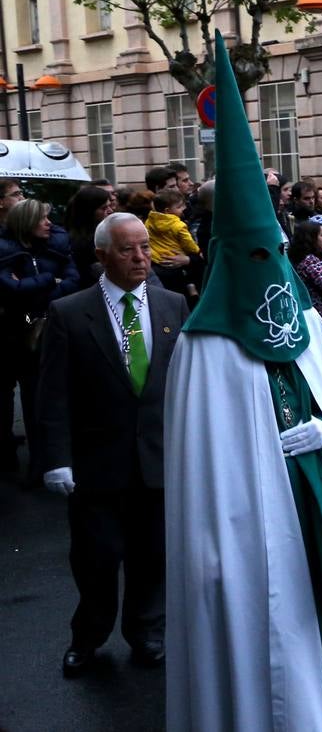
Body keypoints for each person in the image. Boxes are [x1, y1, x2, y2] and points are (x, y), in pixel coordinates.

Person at [165, 33, 322, 728]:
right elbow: (207, 467)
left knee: (318, 614)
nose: (268, 263)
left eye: (273, 248)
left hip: (316, 502)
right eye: (252, 252)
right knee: (261, 629)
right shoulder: (205, 348)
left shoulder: (306, 329)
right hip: (251, 526)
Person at [38, 212, 188, 677]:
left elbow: (185, 385)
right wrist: (56, 459)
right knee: (96, 559)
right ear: (102, 255)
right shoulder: (69, 311)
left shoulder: (173, 305)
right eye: (127, 249)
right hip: (96, 463)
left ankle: (147, 632)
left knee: (152, 557)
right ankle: (89, 635)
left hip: (157, 461)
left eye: (144, 247)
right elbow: (53, 392)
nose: (140, 257)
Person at [0, 199, 81, 478]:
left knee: (45, 398)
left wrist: (36, 290)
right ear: (26, 223)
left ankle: (47, 461)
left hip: (47, 328)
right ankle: (19, 460)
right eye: (42, 219)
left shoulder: (56, 247)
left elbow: (73, 281)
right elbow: (11, 290)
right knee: (16, 399)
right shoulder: (5, 251)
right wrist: (49, 280)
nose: (49, 224)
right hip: (12, 333)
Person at [145, 188, 202, 300]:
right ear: (167, 210)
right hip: (176, 261)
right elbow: (188, 243)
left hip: (157, 260)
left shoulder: (149, 221)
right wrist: (197, 251)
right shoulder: (178, 226)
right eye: (179, 207)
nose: (184, 209)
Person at [64, 185, 116, 289]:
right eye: (104, 208)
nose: (110, 211)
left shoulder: (109, 231)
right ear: (89, 210)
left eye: (109, 206)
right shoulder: (79, 242)